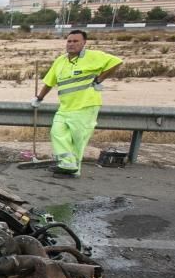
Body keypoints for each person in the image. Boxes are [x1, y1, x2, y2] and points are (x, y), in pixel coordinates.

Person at [32, 30, 122, 176]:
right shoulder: (60, 61)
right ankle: (68, 165)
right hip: (65, 107)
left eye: (76, 41)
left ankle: (72, 170)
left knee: (77, 141)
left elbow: (116, 62)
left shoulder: (93, 56)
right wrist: (39, 98)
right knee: (57, 133)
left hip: (85, 106)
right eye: (69, 41)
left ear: (84, 43)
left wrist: (99, 79)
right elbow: (49, 82)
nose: (71, 44)